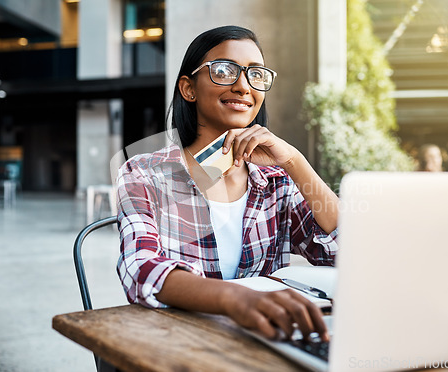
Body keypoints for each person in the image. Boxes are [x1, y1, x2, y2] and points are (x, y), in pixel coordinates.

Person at [116, 25, 339, 342]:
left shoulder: (276, 180)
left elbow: (344, 252)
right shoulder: (145, 173)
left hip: (263, 340)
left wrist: (295, 162)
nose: (243, 86)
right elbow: (141, 270)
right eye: (224, 70)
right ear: (188, 88)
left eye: (256, 74)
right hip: (178, 342)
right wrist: (235, 299)